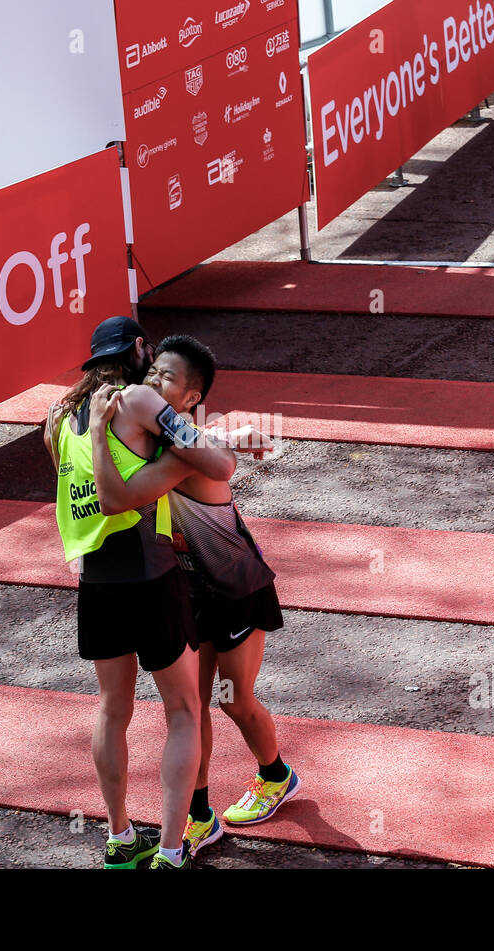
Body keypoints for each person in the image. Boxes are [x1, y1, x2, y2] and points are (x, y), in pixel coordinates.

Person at [89, 336, 298, 862]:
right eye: (151, 372)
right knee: (190, 706)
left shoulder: (186, 450)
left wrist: (238, 434)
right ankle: (200, 815)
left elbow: (209, 446)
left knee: (232, 700)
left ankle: (276, 774)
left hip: (238, 590)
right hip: (184, 592)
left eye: (165, 380)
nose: (151, 383)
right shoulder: (150, 438)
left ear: (189, 398)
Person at [45, 316, 238, 870]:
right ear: (137, 349)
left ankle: (120, 835)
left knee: (112, 710)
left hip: (95, 583)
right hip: (151, 578)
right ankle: (173, 850)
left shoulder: (58, 416)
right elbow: (217, 460)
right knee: (182, 710)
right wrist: (186, 454)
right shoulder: (136, 402)